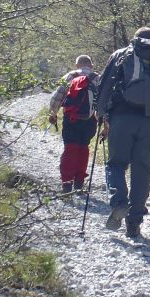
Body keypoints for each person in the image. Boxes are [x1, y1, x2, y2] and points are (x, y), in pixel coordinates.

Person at [96, 26, 150, 238]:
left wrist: (100, 113)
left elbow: (105, 85)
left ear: (135, 40)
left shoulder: (120, 55)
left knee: (115, 164)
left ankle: (119, 202)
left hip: (122, 118)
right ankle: (134, 222)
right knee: (141, 170)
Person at [48, 55, 100, 194]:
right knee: (84, 148)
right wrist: (105, 124)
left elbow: (58, 97)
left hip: (71, 119)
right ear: (91, 65)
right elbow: (103, 101)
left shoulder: (71, 76)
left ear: (77, 65)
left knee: (70, 148)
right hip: (90, 120)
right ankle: (79, 182)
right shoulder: (98, 78)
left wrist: (53, 114)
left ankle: (66, 182)